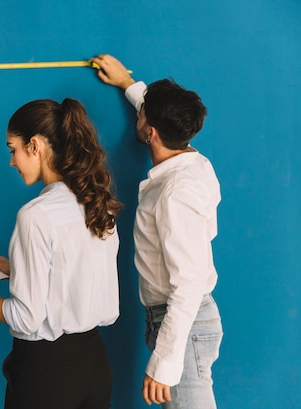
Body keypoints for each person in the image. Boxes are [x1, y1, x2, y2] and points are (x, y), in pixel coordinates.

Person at [0, 98, 122, 409]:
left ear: (35, 146)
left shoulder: (35, 215)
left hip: (47, 374)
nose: (12, 161)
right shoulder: (97, 202)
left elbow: (25, 318)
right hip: (95, 367)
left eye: (12, 149)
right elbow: (74, 276)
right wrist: (17, 269)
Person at [91, 54, 223, 408]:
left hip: (183, 322)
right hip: (178, 320)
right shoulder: (192, 159)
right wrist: (129, 86)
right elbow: (162, 116)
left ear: (150, 132)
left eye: (142, 113)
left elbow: (190, 282)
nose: (139, 114)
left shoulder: (176, 193)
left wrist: (165, 363)